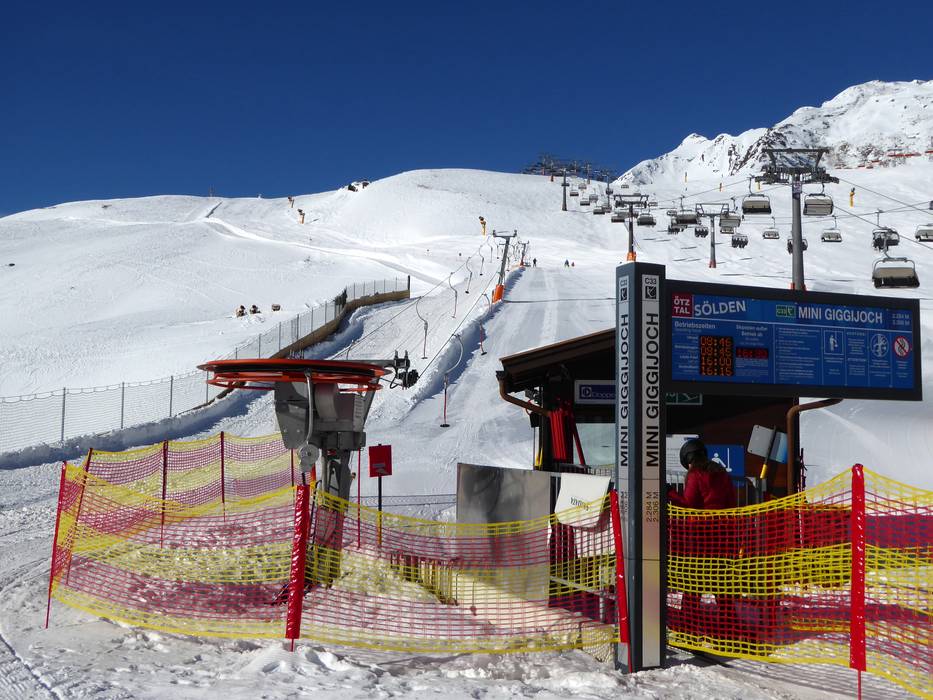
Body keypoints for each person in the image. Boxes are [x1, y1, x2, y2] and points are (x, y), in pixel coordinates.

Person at [668, 439, 740, 648]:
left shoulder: (695, 474)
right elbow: (731, 502)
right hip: (724, 536)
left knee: (693, 586)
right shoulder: (722, 473)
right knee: (722, 586)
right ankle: (728, 632)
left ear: (688, 459)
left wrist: (669, 492)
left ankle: (688, 631)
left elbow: (689, 504)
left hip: (700, 537)